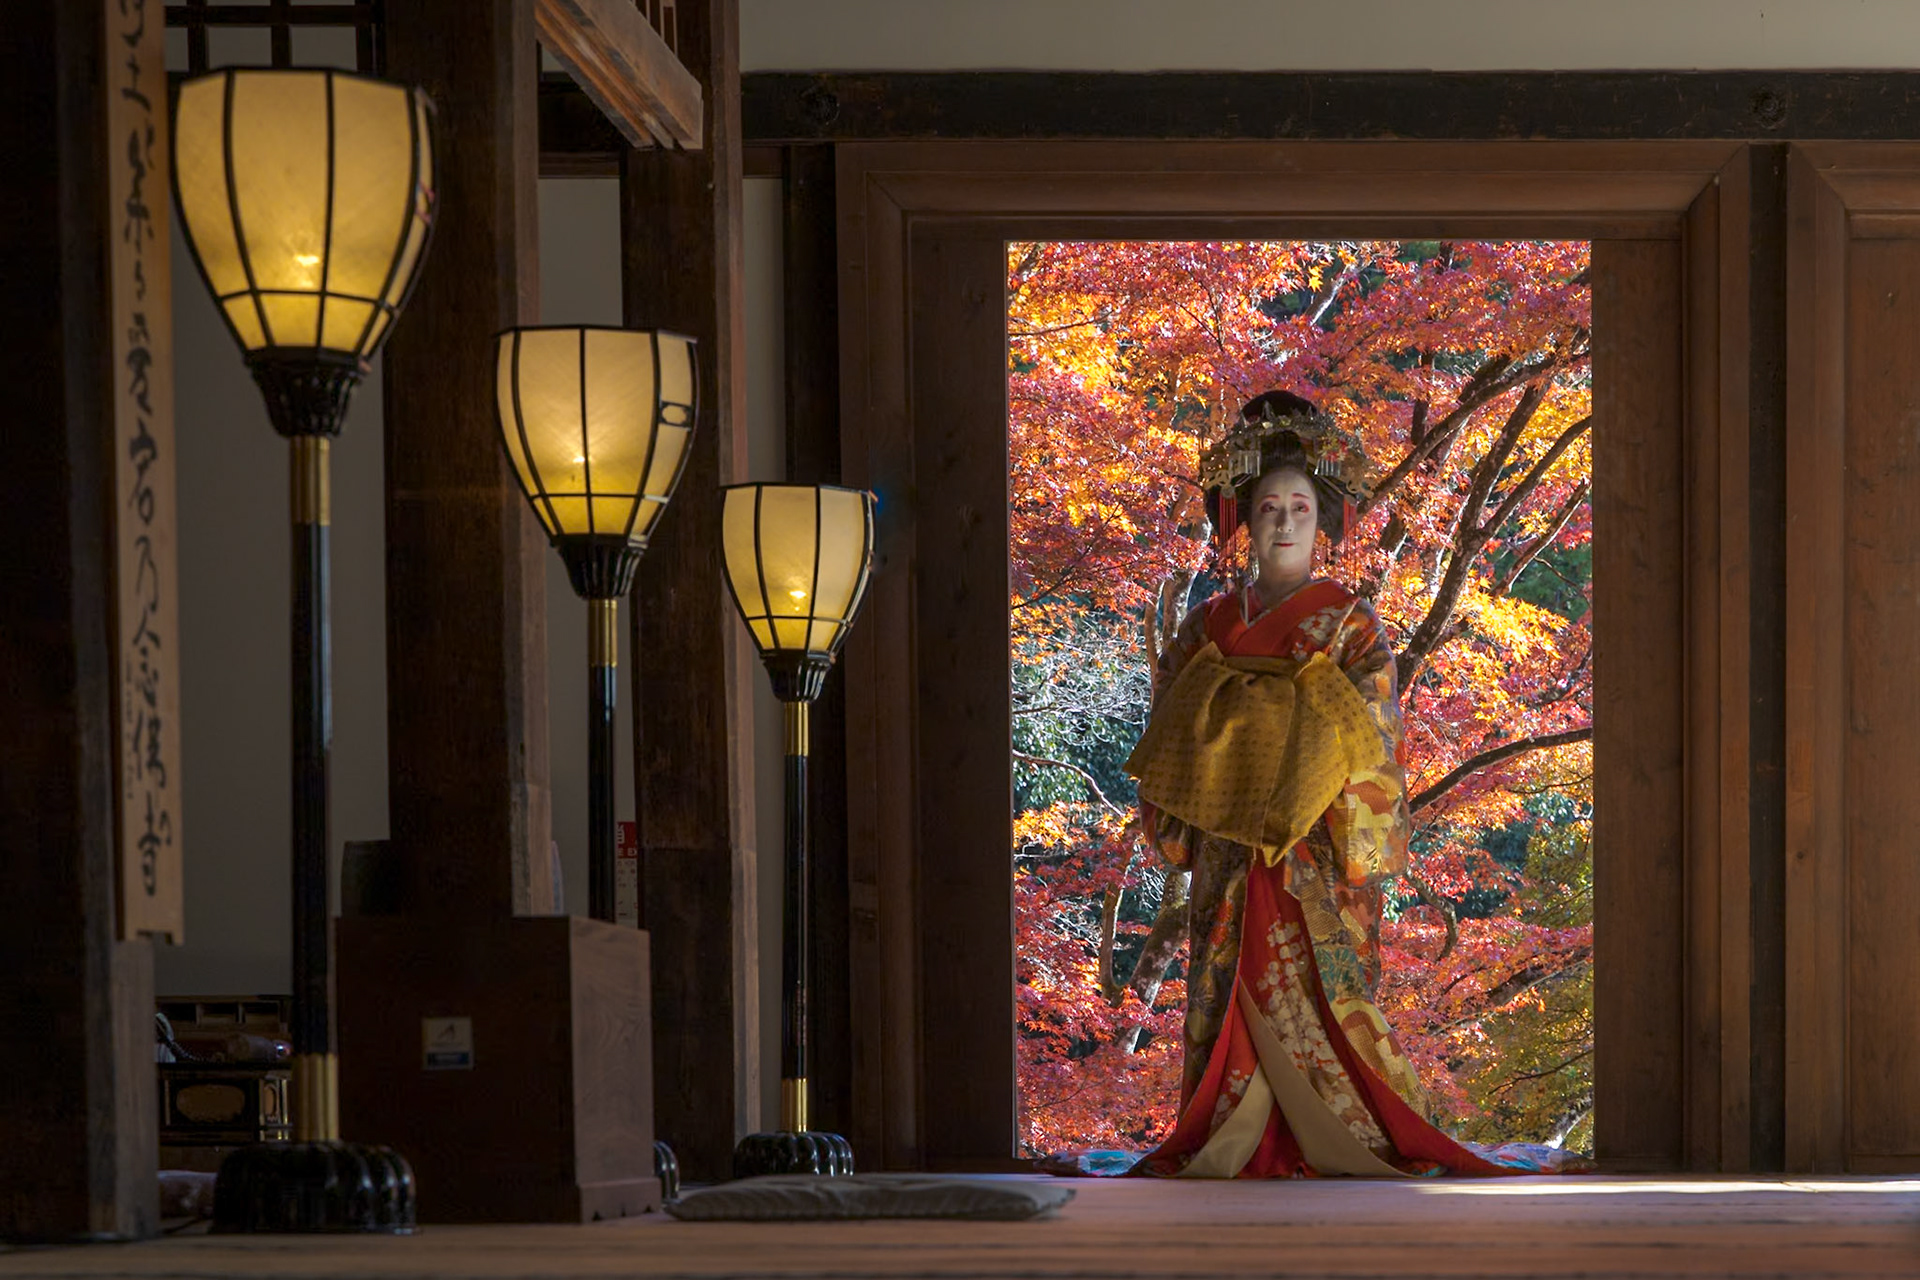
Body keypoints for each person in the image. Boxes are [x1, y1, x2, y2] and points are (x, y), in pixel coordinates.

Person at [1121, 390, 1573, 1178]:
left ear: (1323, 521)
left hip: (1314, 843)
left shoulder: (1352, 625)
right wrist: (1267, 708)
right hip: (1232, 838)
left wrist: (1275, 717)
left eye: (1300, 506)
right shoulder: (1208, 626)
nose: (1286, 522)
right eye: (1268, 506)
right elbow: (1175, 720)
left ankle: (1335, 1131)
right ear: (1244, 520)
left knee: (1318, 986)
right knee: (1234, 978)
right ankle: (1236, 1130)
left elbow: (1370, 727)